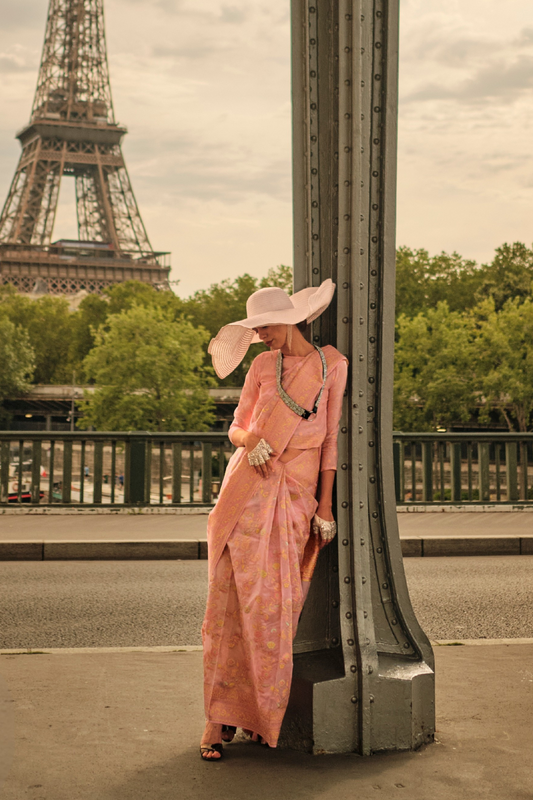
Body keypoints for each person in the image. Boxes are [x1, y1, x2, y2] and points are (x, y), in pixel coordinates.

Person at [200, 279, 348, 761]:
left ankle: (260, 717)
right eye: (255, 328)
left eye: (265, 327)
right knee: (227, 607)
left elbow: (330, 444)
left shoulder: (333, 367)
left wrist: (324, 506)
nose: (260, 335)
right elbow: (236, 425)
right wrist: (249, 442)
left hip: (296, 497)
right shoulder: (262, 366)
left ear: (291, 319)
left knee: (273, 613)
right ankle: (216, 721)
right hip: (247, 492)